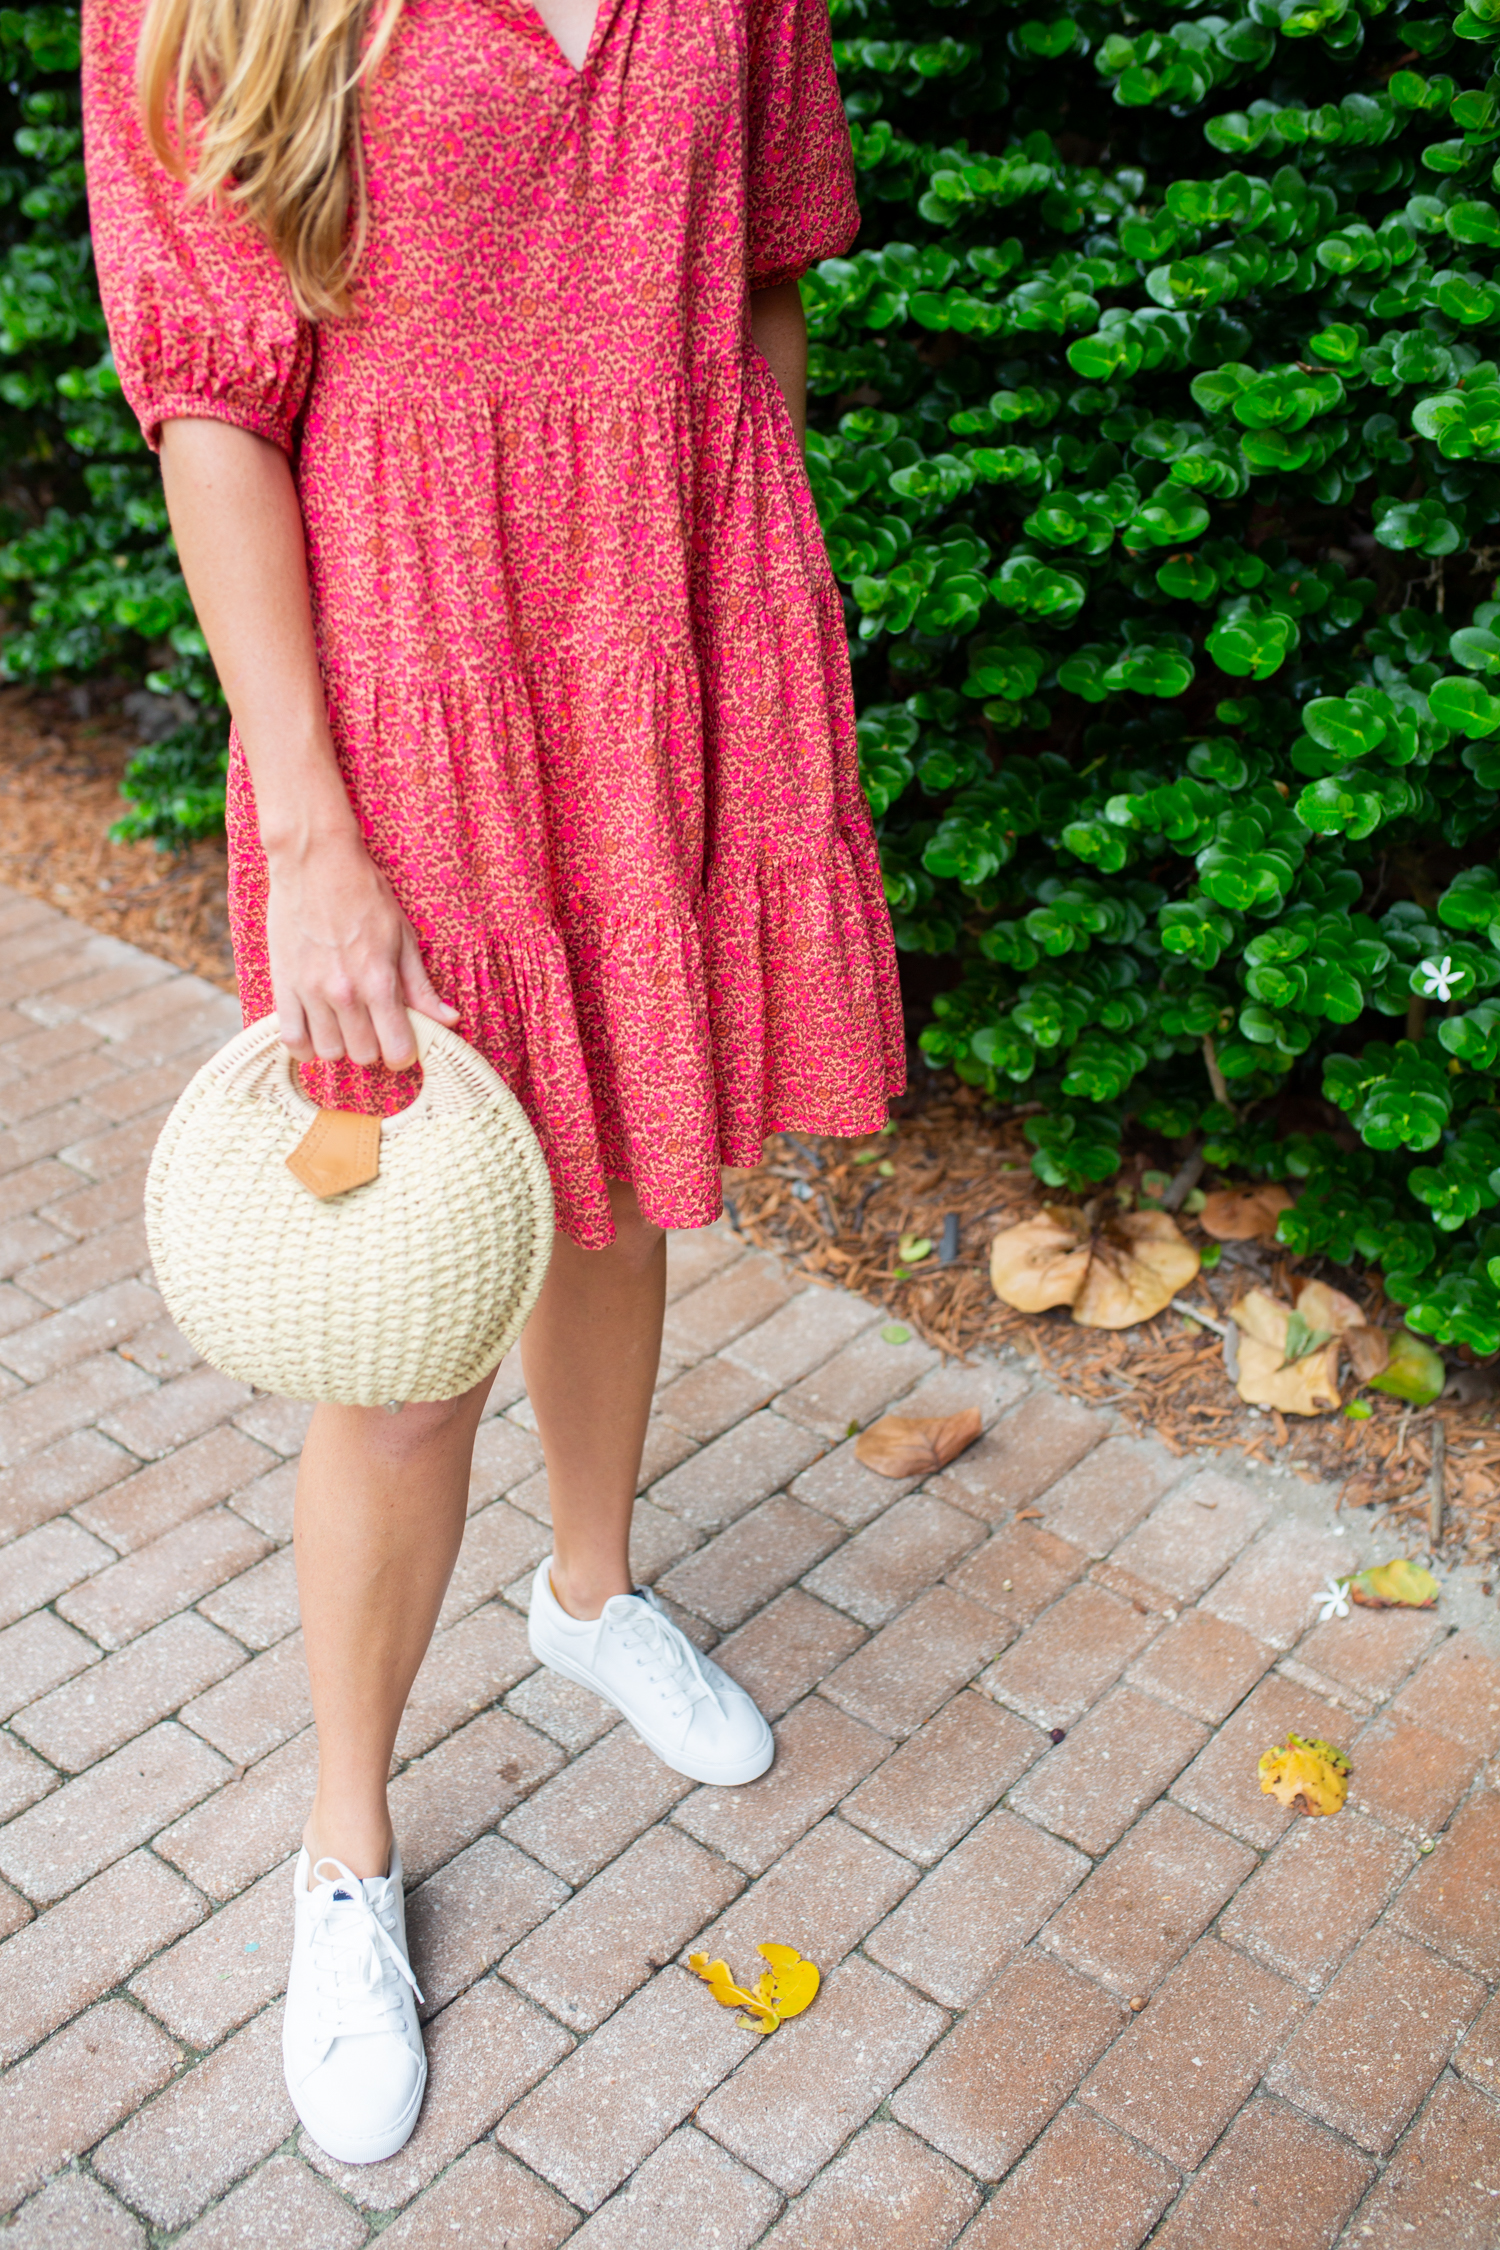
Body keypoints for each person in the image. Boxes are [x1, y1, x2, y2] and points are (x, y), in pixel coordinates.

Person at [82, 0, 903, 2166]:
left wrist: (734, 609)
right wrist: (315, 829)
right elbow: (218, 414)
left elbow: (766, 285)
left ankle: (593, 1594)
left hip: (666, 651)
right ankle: (343, 1851)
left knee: (617, 1191)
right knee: (412, 1317)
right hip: (406, 695)